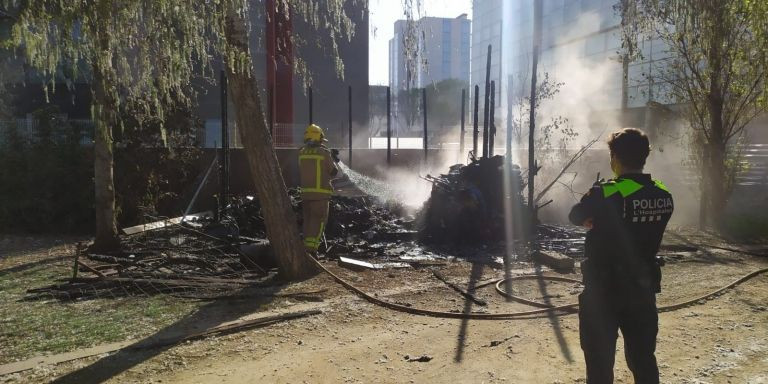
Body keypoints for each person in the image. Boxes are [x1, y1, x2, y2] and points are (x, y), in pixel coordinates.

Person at [569, 128, 674, 384]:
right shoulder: (662, 192)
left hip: (604, 291)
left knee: (600, 364)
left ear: (614, 157)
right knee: (643, 359)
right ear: (645, 157)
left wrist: (595, 216)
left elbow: (575, 215)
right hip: (642, 288)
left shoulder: (607, 192)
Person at [299, 124, 338, 256]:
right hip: (321, 196)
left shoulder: (302, 152)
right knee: (319, 223)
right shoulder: (324, 152)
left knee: (308, 222)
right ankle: (312, 251)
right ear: (318, 137)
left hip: (306, 195)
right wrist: (334, 159)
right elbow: (333, 172)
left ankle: (305, 250)